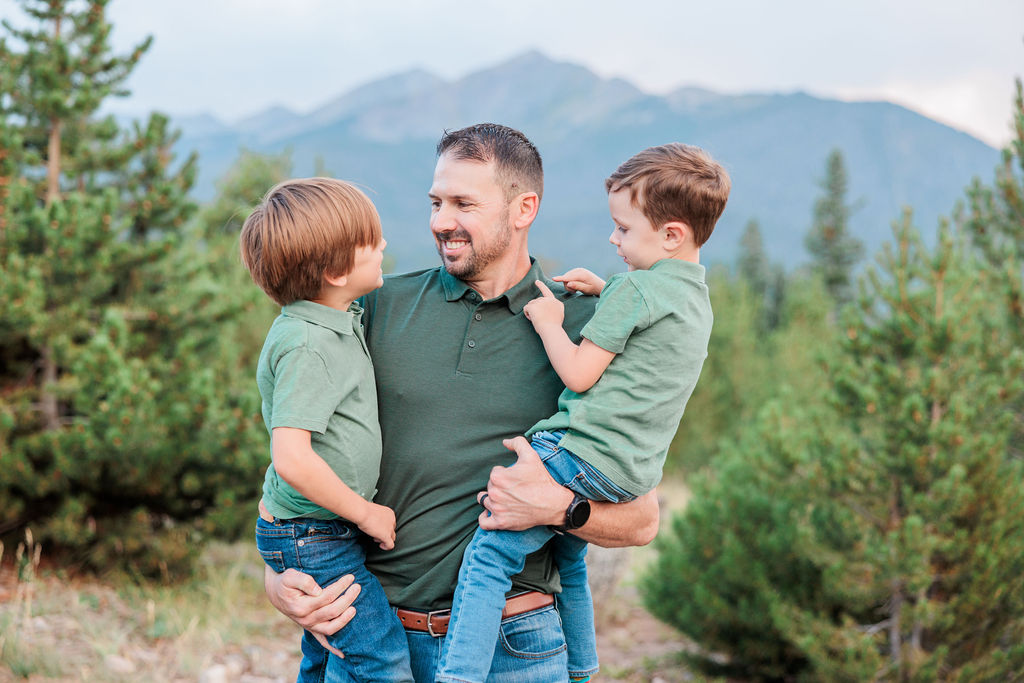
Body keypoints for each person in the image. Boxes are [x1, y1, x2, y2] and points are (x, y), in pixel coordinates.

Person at [264, 123, 661, 682]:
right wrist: (280, 580)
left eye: (463, 203)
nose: (440, 221)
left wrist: (557, 509)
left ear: (524, 208)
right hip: (372, 638)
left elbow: (642, 520)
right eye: (435, 202)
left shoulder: (585, 331)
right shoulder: (374, 307)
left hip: (512, 648)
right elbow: (297, 459)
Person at [435, 143, 731, 682]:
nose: (613, 239)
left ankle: (458, 676)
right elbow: (650, 321)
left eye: (623, 229)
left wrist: (548, 318)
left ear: (671, 235)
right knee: (568, 558)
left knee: (489, 557)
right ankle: (581, 668)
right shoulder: (694, 296)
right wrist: (608, 288)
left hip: (579, 452)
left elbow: (578, 374)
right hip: (629, 473)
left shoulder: (637, 291)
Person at [240, 178, 414, 682]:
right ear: (337, 270)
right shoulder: (308, 344)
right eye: (372, 241)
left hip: (316, 530)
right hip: (314, 534)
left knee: (327, 656)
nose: (384, 245)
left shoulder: (332, 317)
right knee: (379, 660)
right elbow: (292, 457)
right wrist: (367, 514)